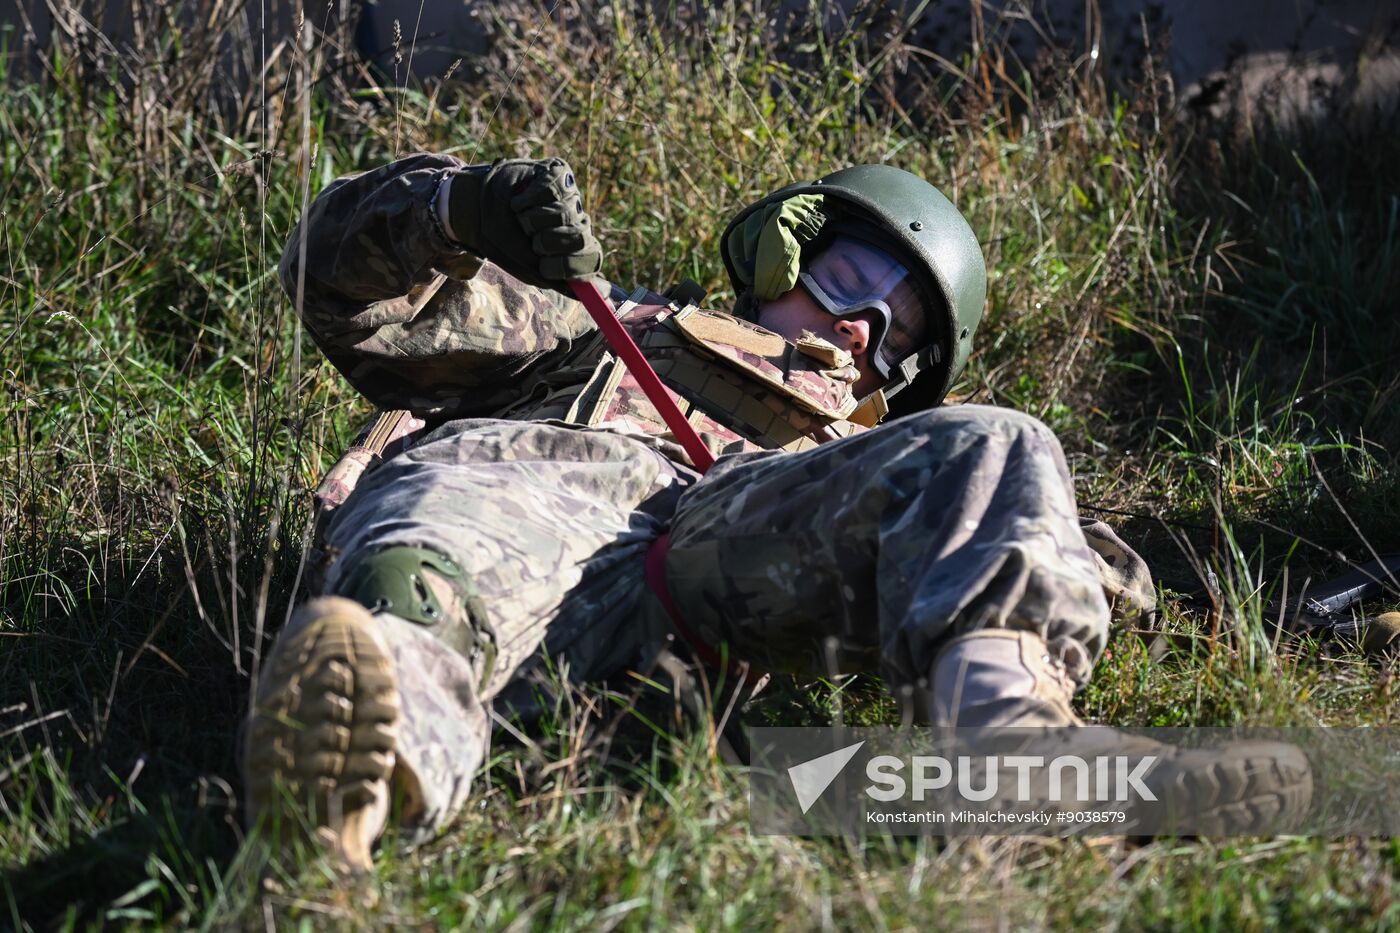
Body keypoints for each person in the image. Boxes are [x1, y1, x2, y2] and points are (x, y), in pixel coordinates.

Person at [243, 155, 1309, 870]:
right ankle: (348, 801)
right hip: (532, 495)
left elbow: (1046, 543)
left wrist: (1262, 604)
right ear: (781, 253)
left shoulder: (871, 460)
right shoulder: (609, 324)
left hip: (712, 610)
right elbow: (343, 291)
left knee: (1002, 442)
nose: (858, 331)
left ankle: (1013, 755)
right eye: (848, 279)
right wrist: (458, 209)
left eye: (893, 335)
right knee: (454, 518)